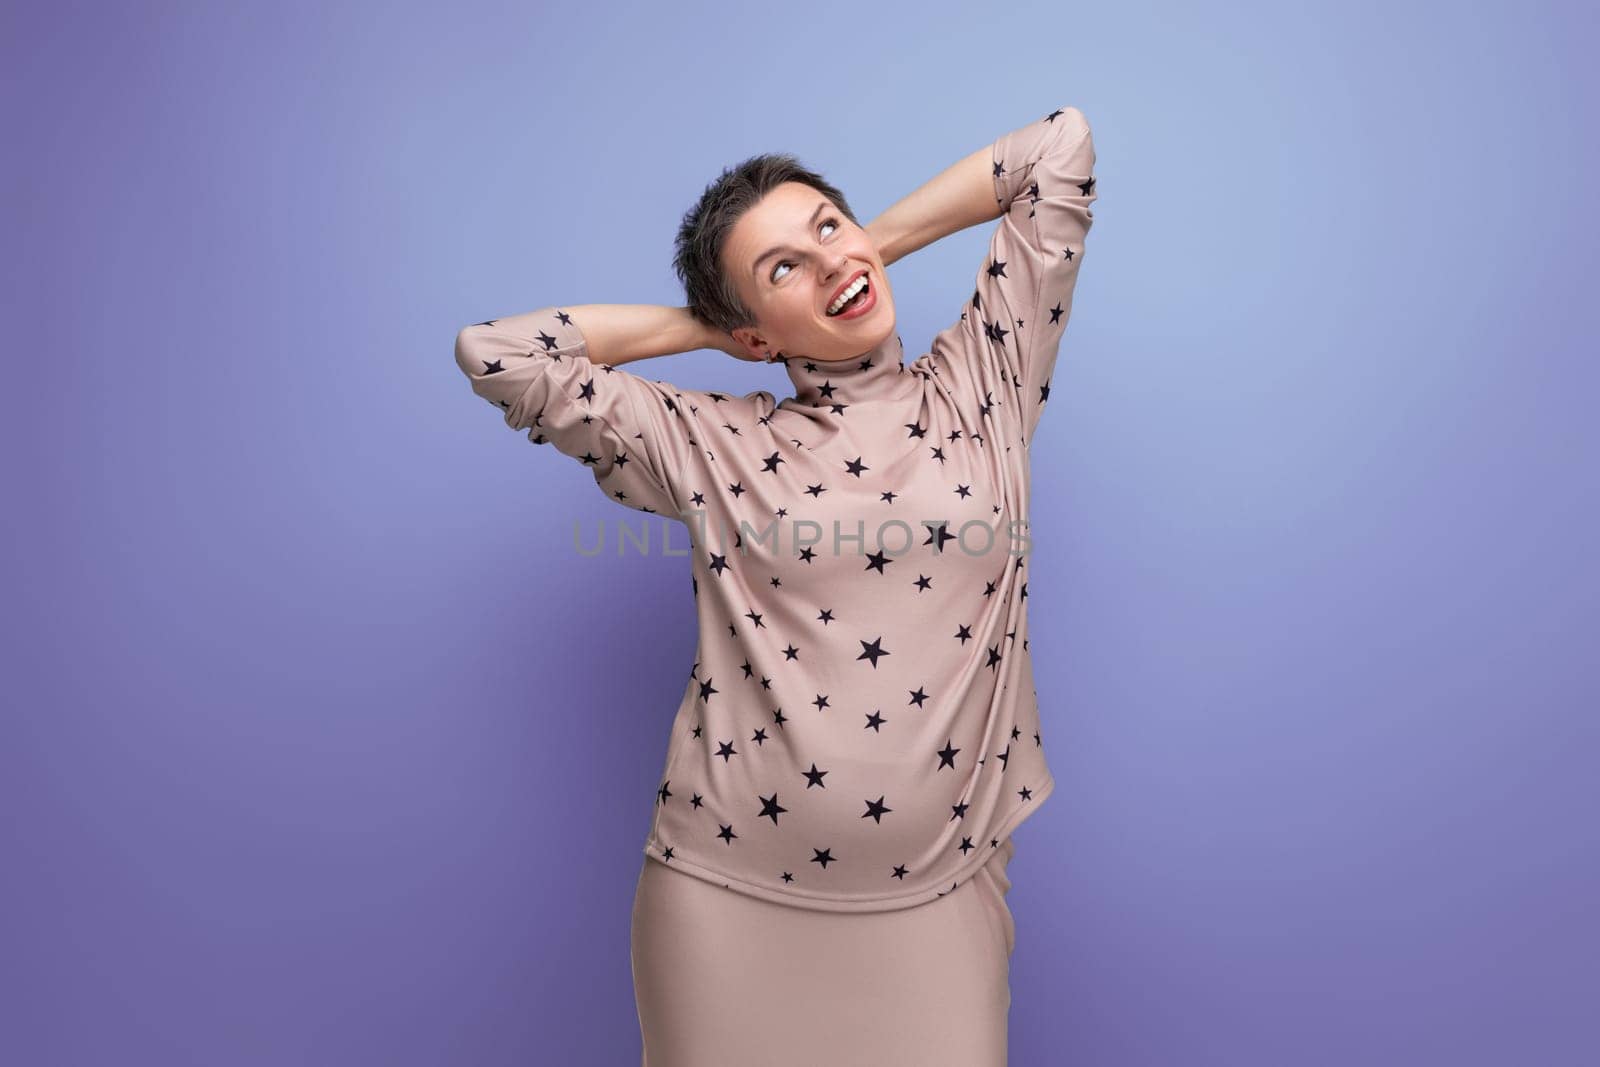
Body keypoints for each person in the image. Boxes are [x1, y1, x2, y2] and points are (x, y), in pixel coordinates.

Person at [454, 104, 1097, 1066]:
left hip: (939, 897)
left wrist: (852, 254)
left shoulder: (983, 384)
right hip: (726, 901)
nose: (829, 260)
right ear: (752, 332)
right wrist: (719, 331)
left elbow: (1059, 148)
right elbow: (498, 353)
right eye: (781, 267)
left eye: (826, 227)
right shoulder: (715, 442)